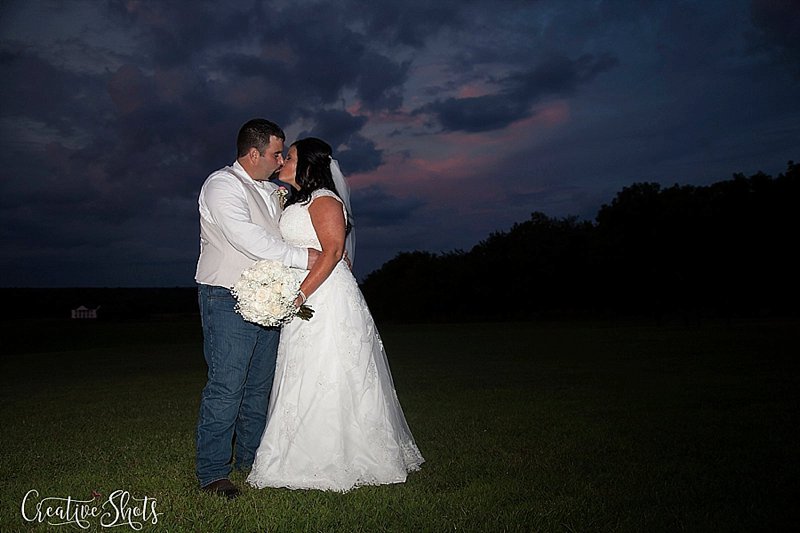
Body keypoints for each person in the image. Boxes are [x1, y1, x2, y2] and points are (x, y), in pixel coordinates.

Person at [246, 138, 424, 492]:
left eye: (290, 157)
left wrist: (299, 295)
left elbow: (333, 252)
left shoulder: (325, 200)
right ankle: (296, 452)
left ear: (309, 165)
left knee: (332, 369)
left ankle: (345, 454)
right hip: (306, 292)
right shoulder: (300, 200)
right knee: (302, 371)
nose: (282, 161)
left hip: (323, 296)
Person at [194, 119, 320, 499]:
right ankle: (214, 472)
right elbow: (249, 240)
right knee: (227, 386)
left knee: (259, 387)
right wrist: (304, 257)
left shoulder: (273, 191)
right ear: (253, 154)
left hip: (271, 299)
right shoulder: (221, 185)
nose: (281, 160)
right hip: (226, 297)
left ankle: (251, 461)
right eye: (276, 153)